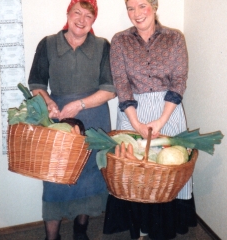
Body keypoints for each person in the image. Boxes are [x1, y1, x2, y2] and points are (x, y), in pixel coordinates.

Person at [103, 0, 197, 239]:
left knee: (167, 169)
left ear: (154, 7)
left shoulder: (174, 38)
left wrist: (162, 120)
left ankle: (163, 228)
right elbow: (121, 84)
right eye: (130, 8)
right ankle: (140, 227)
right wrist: (136, 124)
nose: (136, 13)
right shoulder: (120, 40)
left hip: (168, 109)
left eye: (142, 6)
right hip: (133, 110)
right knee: (135, 171)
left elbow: (179, 81)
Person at [28, 1, 116, 240]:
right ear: (67, 14)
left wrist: (79, 104)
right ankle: (51, 235)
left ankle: (81, 230)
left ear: (93, 20)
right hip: (58, 120)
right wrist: (48, 102)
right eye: (77, 12)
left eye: (89, 15)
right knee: (55, 176)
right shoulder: (48, 44)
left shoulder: (102, 46)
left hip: (93, 117)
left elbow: (110, 89)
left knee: (88, 175)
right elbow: (36, 83)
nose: (82, 19)